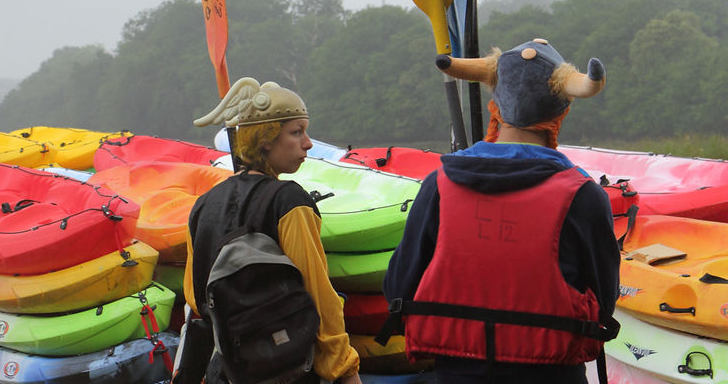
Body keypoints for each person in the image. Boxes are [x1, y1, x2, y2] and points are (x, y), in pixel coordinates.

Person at [380, 38, 621, 384]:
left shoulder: (439, 184)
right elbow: (605, 302)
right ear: (560, 111)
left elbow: (398, 289)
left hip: (455, 375)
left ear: (496, 108)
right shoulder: (583, 196)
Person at [180, 77, 362, 384]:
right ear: (265, 138)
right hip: (285, 369)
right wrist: (344, 370)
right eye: (296, 132)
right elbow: (317, 294)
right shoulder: (289, 200)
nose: (308, 143)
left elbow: (196, 296)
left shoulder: (202, 205)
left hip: (225, 371)